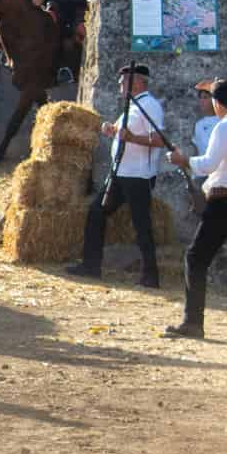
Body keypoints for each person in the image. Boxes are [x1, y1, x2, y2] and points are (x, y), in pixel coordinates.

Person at [164, 79, 227, 341]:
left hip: (224, 201)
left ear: (217, 103)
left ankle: (193, 321)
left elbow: (207, 164)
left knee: (195, 258)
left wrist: (182, 159)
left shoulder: (224, 127)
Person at [68, 62, 164, 287]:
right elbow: (125, 135)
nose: (120, 85)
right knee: (96, 212)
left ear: (137, 82)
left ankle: (151, 275)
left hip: (137, 175)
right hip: (121, 172)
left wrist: (130, 138)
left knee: (142, 224)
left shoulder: (150, 105)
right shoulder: (133, 106)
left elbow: (158, 140)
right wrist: (112, 131)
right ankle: (91, 266)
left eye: (124, 82)